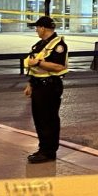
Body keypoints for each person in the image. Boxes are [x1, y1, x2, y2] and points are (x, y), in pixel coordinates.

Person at [23, 15, 68, 163]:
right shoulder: (40, 45)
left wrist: (38, 62)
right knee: (40, 120)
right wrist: (30, 84)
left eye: (37, 27)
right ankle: (43, 148)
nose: (36, 30)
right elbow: (33, 66)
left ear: (43, 28)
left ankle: (49, 152)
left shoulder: (58, 45)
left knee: (49, 120)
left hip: (50, 86)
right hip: (38, 86)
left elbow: (59, 66)